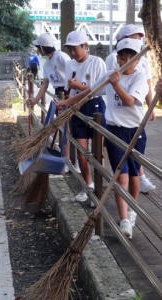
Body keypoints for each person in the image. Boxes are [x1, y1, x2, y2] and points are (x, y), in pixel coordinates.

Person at [58, 38, 149, 239]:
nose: (125, 60)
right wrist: (67, 102)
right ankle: (124, 219)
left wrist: (116, 85)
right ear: (116, 58)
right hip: (114, 130)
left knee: (134, 175)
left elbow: (130, 101)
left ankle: (131, 211)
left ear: (137, 60)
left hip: (135, 131)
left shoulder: (140, 77)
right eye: (121, 56)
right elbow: (90, 92)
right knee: (120, 175)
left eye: (130, 57)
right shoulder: (110, 75)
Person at [105, 24, 156, 194]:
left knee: (133, 168)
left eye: (138, 38)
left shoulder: (141, 64)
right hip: (115, 124)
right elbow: (99, 87)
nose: (136, 40)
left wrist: (150, 106)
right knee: (123, 173)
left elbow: (147, 84)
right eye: (132, 37)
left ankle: (139, 181)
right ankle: (125, 215)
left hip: (134, 124)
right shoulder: (113, 59)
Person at [62, 30, 106, 205]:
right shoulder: (69, 64)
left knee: (97, 153)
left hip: (95, 108)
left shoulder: (97, 62)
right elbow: (69, 89)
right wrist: (67, 101)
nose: (72, 53)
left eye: (75, 49)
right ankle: (87, 185)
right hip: (76, 108)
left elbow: (101, 89)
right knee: (82, 153)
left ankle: (98, 190)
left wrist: (79, 86)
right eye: (69, 49)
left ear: (85, 46)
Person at [26, 33, 72, 172]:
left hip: (69, 93)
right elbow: (44, 86)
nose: (37, 50)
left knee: (69, 129)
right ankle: (65, 160)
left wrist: (68, 96)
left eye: (38, 47)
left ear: (43, 47)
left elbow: (72, 74)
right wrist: (34, 100)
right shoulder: (46, 65)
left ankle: (69, 162)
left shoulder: (61, 57)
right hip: (59, 96)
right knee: (63, 129)